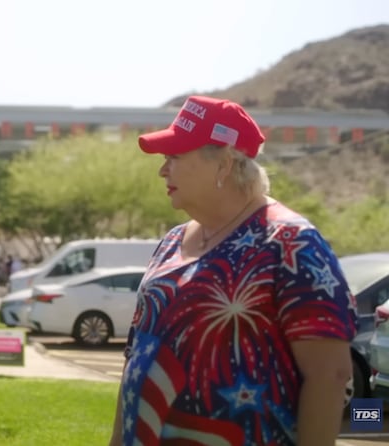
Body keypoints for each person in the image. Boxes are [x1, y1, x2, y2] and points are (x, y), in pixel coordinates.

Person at [109, 96, 357, 446]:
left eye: (175, 156)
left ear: (224, 164)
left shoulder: (291, 243)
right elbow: (136, 356)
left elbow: (329, 376)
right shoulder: (171, 242)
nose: (163, 169)